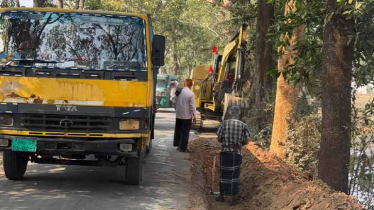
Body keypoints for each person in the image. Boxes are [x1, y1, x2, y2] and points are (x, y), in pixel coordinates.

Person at [215, 106, 250, 206]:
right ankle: (233, 199)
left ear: (230, 113)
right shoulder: (243, 125)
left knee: (223, 173)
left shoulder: (224, 123)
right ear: (238, 114)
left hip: (225, 152)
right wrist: (239, 144)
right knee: (234, 175)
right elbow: (246, 141)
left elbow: (219, 138)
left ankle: (222, 196)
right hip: (236, 153)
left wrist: (225, 142)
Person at [173, 79, 196, 152]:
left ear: (184, 84)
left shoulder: (178, 91)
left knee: (178, 131)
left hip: (178, 115)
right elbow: (192, 106)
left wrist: (176, 108)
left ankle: (178, 146)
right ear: (191, 85)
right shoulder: (191, 94)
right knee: (185, 132)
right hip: (186, 116)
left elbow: (173, 100)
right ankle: (183, 148)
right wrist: (194, 116)